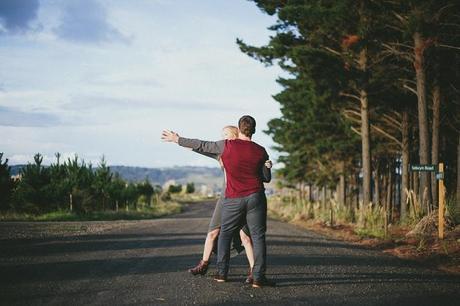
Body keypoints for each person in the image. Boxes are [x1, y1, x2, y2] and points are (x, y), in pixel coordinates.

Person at [162, 115, 275, 288]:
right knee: (258, 237)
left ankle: (222, 274)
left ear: (239, 129)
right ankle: (258, 278)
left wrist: (177, 139)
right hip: (256, 198)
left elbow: (200, 144)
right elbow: (266, 178)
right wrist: (267, 166)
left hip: (233, 198)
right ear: (254, 130)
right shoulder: (261, 151)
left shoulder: (226, 146)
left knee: (225, 235)